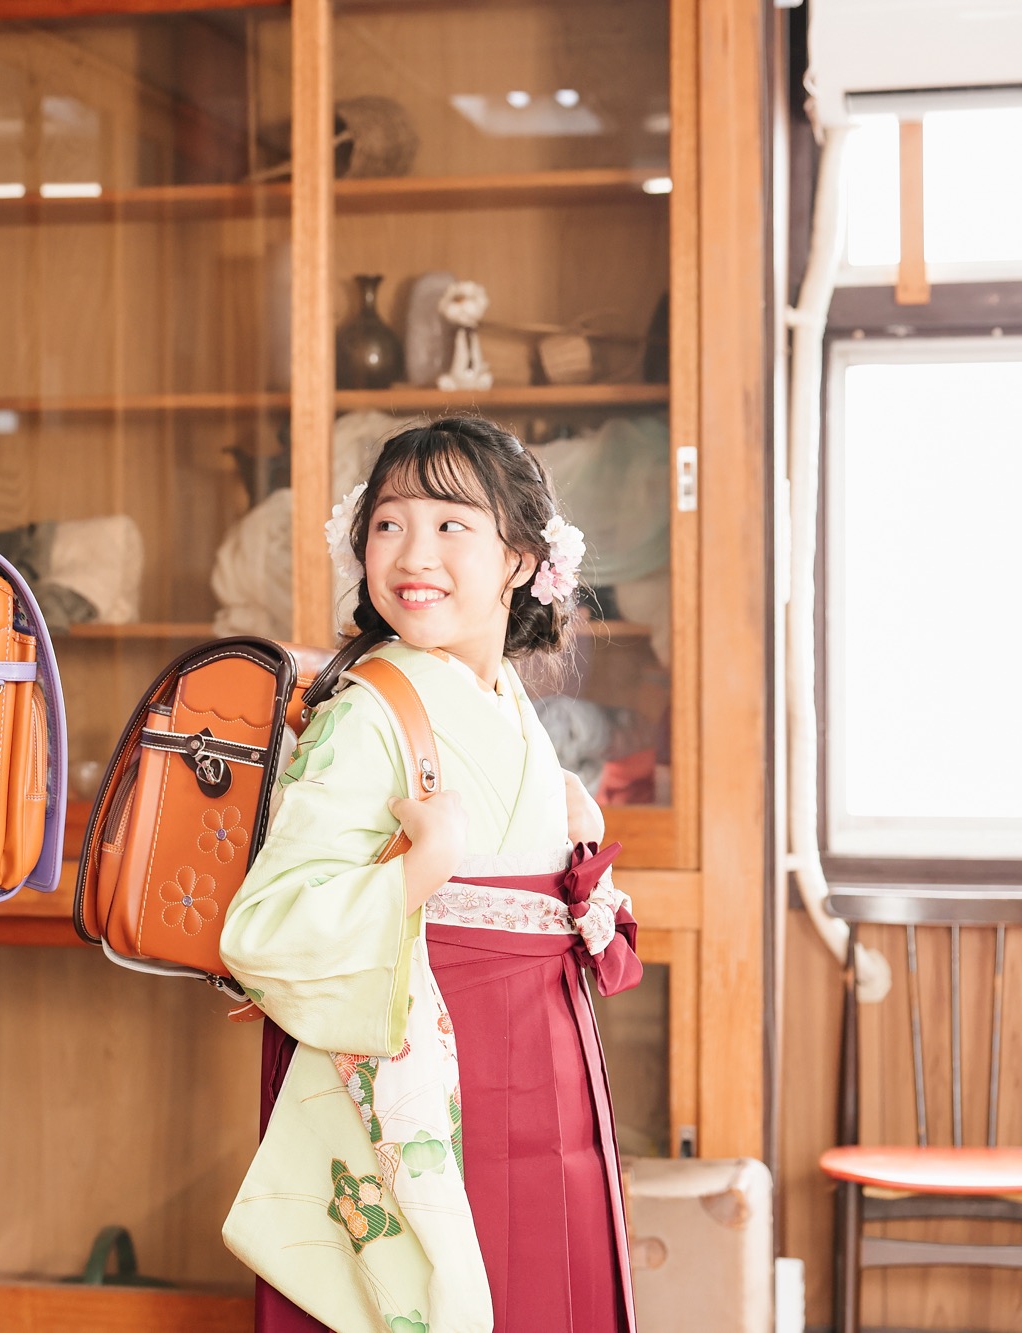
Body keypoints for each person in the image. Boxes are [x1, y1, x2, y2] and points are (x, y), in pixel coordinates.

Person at [219, 418, 642, 1333]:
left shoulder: (505, 699)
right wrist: (421, 872)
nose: (414, 554)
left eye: (451, 524)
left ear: (520, 559)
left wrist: (572, 838)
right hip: (438, 1088)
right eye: (389, 524)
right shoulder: (369, 712)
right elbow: (264, 931)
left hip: (543, 1062)